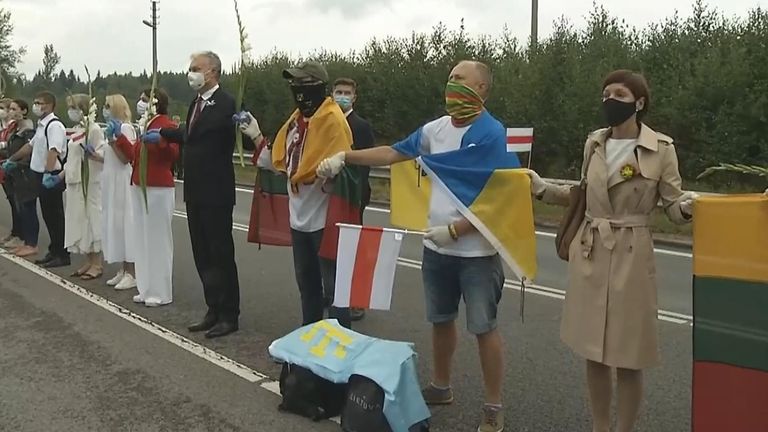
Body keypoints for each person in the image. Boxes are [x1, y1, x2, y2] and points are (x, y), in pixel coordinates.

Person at [317, 60, 509, 432]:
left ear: (482, 88)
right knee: (440, 320)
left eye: (460, 80)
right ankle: (440, 385)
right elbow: (393, 153)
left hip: (475, 252)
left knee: (484, 327)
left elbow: (498, 197)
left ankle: (493, 405)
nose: (451, 85)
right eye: (450, 78)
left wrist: (457, 231)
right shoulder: (436, 129)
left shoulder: (491, 134)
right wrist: (346, 157)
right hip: (437, 247)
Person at [525, 70, 697, 432]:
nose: (609, 100)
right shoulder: (594, 143)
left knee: (629, 356)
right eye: (605, 93)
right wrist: (542, 188)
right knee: (594, 351)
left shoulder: (661, 149)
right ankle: (600, 426)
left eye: (618, 94)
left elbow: (672, 205)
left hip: (633, 256)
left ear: (639, 102)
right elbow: (583, 194)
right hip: (591, 251)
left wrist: (688, 206)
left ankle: (624, 428)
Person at [238, 60, 354, 330]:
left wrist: (335, 167)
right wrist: (255, 135)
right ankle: (308, 341)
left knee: (335, 291)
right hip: (299, 218)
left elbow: (347, 168)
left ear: (318, 87)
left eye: (303, 84)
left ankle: (339, 348)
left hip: (325, 220)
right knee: (308, 287)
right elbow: (279, 162)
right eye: (294, 85)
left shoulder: (332, 121)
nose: (298, 90)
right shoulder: (294, 123)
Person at [158, 51, 240, 338]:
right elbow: (189, 134)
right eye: (190, 68)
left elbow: (212, 135)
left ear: (213, 72)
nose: (190, 73)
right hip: (194, 189)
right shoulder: (196, 102)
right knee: (202, 254)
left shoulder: (226, 103)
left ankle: (230, 313)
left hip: (215, 191)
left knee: (220, 253)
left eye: (196, 68)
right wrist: (166, 134)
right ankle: (213, 308)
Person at [112, 88, 179, 307]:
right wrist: (120, 139)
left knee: (158, 240)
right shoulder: (145, 125)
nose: (140, 103)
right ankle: (146, 286)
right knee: (141, 238)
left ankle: (161, 291)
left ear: (156, 103)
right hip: (139, 185)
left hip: (158, 187)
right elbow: (134, 156)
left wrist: (159, 141)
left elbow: (173, 154)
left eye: (144, 99)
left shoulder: (165, 125)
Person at [44, 93, 105, 279]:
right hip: (74, 182)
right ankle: (87, 259)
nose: (71, 111)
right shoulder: (78, 130)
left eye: (74, 107)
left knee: (90, 220)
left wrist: (93, 155)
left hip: (88, 183)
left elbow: (103, 155)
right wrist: (59, 176)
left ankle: (97, 263)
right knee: (78, 221)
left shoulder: (93, 129)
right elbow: (71, 160)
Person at [330, 77, 375, 322]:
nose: (342, 96)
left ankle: (356, 301)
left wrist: (356, 193)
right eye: (339, 92)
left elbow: (366, 161)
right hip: (329, 194)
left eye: (347, 92)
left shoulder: (361, 126)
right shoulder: (326, 122)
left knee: (353, 249)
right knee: (329, 247)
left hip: (353, 195)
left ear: (354, 97)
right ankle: (333, 293)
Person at [28, 91, 70, 268]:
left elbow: (53, 151)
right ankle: (54, 250)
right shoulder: (41, 125)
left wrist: (47, 172)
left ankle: (62, 254)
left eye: (41, 103)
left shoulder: (54, 126)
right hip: (40, 174)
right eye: (36, 102)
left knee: (55, 216)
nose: (37, 106)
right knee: (47, 215)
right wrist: (12, 159)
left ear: (51, 105)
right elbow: (31, 146)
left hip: (51, 175)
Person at [102, 94, 138, 290]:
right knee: (116, 225)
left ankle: (132, 272)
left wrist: (113, 141)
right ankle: (123, 269)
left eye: (108, 106)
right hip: (111, 180)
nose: (104, 109)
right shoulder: (111, 128)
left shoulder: (125, 128)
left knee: (126, 224)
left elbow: (126, 158)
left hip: (123, 182)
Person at [1, 99, 36, 256]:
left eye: (14, 109)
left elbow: (28, 151)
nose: (11, 112)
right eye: (11, 109)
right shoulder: (15, 128)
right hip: (13, 171)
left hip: (24, 172)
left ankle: (28, 241)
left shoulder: (27, 129)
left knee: (26, 208)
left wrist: (16, 163)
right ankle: (22, 238)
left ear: (23, 111)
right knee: (18, 205)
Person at [0, 98, 23, 248]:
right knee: (11, 201)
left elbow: (10, 147)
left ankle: (20, 234)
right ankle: (15, 232)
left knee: (17, 203)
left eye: (2, 108)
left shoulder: (13, 127)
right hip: (3, 167)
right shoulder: (4, 128)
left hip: (11, 167)